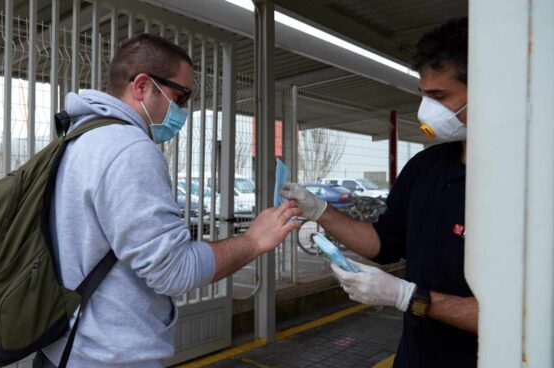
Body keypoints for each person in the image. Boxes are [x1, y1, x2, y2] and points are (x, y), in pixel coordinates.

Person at [37, 34, 301, 367]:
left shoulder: (78, 138)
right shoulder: (129, 149)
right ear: (142, 87)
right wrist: (252, 240)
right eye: (181, 96)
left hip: (65, 349)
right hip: (110, 357)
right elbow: (173, 271)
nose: (185, 110)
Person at [280, 18, 477, 367]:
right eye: (423, 95)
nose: (425, 110)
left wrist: (407, 296)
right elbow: (384, 244)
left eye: (440, 96)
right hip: (415, 357)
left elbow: (522, 318)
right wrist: (318, 210)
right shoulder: (424, 167)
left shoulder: (525, 183)